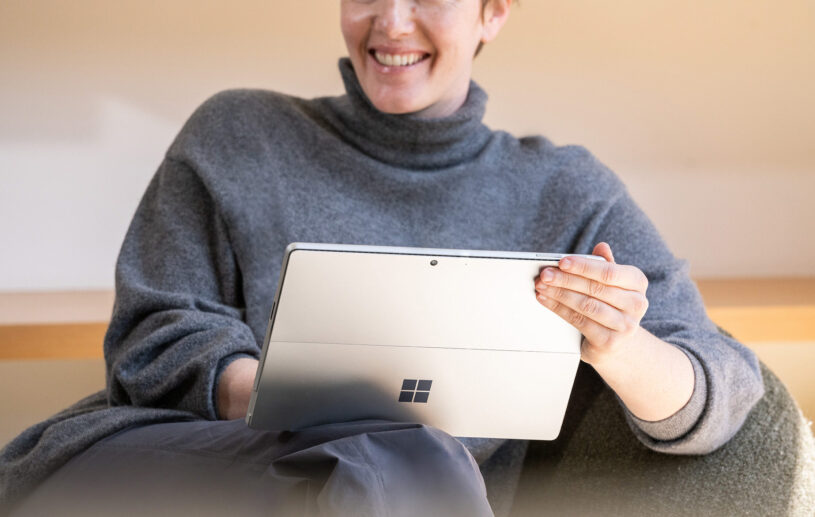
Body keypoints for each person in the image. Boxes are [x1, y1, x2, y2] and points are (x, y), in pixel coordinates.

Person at [0, 1, 765, 516]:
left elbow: (720, 387)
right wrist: (298, 402)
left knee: (405, 466)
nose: (391, 21)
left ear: (493, 10)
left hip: (394, 498)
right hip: (175, 463)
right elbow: (150, 339)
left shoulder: (564, 191)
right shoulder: (238, 134)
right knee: (403, 459)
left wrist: (619, 342)